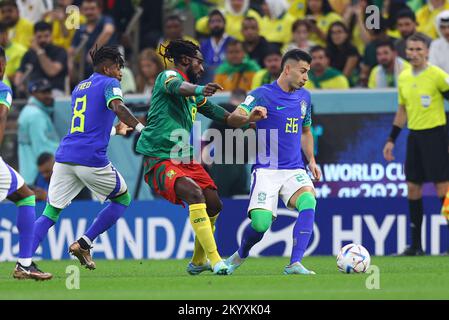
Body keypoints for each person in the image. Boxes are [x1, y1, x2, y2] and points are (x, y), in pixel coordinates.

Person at [135, 39, 267, 276]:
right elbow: (178, 87)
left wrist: (250, 117)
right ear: (185, 60)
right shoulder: (167, 76)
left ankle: (198, 261)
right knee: (195, 194)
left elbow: (228, 118)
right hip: (159, 157)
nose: (203, 68)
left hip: (184, 158)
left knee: (214, 203)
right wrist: (198, 89)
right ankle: (216, 260)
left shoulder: (194, 95)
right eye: (199, 62)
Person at [31, 46, 145, 270]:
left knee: (50, 211)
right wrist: (142, 128)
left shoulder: (79, 87)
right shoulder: (110, 83)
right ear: (106, 68)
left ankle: (23, 261)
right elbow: (118, 107)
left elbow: (87, 127)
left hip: (65, 157)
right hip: (90, 159)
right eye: (118, 68)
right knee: (122, 199)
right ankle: (85, 242)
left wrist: (115, 130)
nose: (121, 73)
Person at [225, 49, 321, 275]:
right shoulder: (261, 94)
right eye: (303, 71)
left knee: (308, 200)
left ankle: (294, 263)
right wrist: (250, 117)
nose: (306, 77)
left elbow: (306, 132)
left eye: (308, 72)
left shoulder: (304, 97)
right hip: (266, 170)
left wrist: (312, 160)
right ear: (287, 69)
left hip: (294, 168)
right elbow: (232, 119)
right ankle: (240, 254)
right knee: (260, 225)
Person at [383, 33, 449, 256]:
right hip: (415, 137)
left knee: (443, 188)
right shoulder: (403, 77)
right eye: (410, 49)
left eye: (419, 49)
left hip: (436, 136)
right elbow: (402, 110)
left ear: (428, 51)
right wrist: (391, 139)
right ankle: (416, 246)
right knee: (413, 187)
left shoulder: (438, 75)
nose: (414, 53)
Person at [0, 46, 52, 280]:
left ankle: (24, 263)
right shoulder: (2, 88)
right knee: (26, 196)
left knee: (25, 194)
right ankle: (24, 264)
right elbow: (1, 114)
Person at [17, 79, 59, 185]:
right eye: (43, 92)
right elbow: (42, 149)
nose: (48, 95)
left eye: (49, 91)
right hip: (40, 173)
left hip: (31, 173)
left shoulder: (29, 111)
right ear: (34, 94)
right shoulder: (35, 115)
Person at [15, 21, 68, 97]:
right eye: (39, 37)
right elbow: (19, 76)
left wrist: (39, 51)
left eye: (46, 36)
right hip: (32, 92)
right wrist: (21, 86)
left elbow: (52, 71)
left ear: (51, 36)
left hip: (53, 91)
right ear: (34, 37)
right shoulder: (28, 54)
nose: (43, 40)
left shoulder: (60, 51)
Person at [69, 0, 117, 80]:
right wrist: (70, 64)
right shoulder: (80, 28)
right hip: (85, 71)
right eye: (86, 9)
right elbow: (71, 49)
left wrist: (94, 50)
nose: (89, 12)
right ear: (82, 10)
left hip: (107, 68)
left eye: (92, 9)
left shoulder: (106, 20)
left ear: (99, 9)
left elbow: (108, 31)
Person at [195, 0, 262, 41]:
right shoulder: (222, 13)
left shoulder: (252, 15)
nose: (236, 1)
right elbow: (199, 26)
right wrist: (215, 18)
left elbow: (261, 32)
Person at [199, 9, 234, 83]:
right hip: (208, 85)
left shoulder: (232, 41)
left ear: (224, 23)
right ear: (209, 25)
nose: (216, 24)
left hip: (227, 83)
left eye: (219, 21)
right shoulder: (204, 44)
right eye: (213, 22)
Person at [326, 21, 360, 85]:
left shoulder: (352, 50)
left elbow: (345, 76)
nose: (336, 35)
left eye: (339, 32)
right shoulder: (328, 50)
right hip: (331, 82)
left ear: (346, 34)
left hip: (348, 84)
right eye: (333, 33)